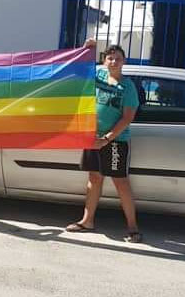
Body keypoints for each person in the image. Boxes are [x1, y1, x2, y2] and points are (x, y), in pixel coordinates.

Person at [66, 40, 142, 243]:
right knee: (94, 178)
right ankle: (87, 221)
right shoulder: (98, 75)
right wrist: (86, 48)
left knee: (121, 182)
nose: (114, 61)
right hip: (93, 138)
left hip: (115, 141)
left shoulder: (128, 87)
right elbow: (78, 70)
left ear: (124, 61)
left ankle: (133, 228)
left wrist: (108, 138)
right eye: (110, 58)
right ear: (104, 60)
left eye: (118, 58)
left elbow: (127, 117)